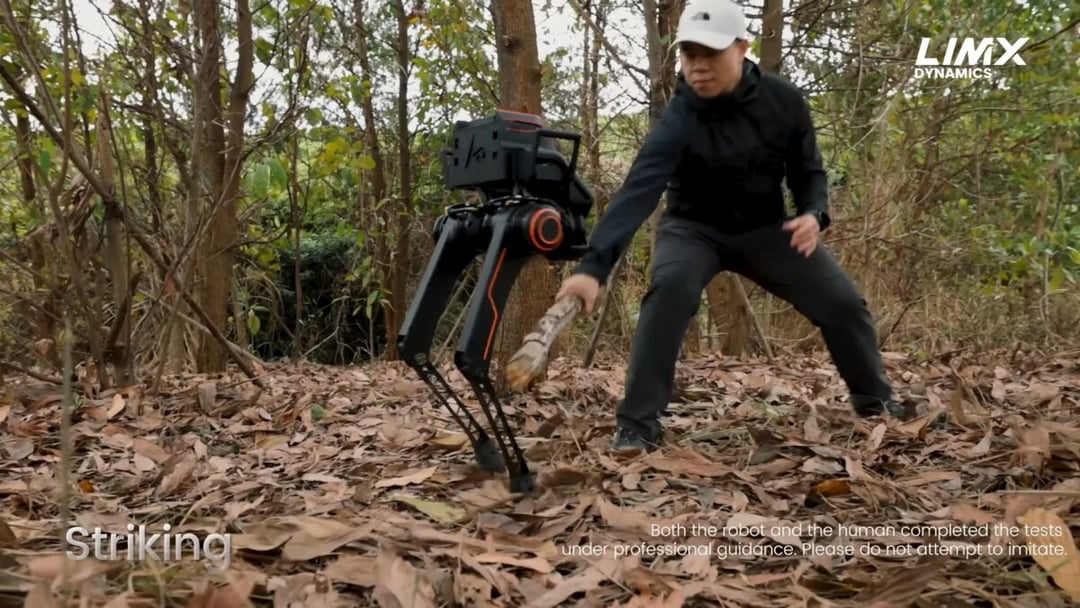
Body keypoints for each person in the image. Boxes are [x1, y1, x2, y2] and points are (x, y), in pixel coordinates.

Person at [555, 0, 916, 452]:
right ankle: (636, 427)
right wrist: (593, 270)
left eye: (710, 54)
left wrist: (813, 213)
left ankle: (876, 403)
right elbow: (637, 192)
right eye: (689, 56)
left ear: (743, 48)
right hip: (692, 230)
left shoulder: (783, 102)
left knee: (843, 303)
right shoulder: (679, 118)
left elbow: (809, 171)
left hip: (767, 231)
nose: (698, 68)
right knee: (668, 293)